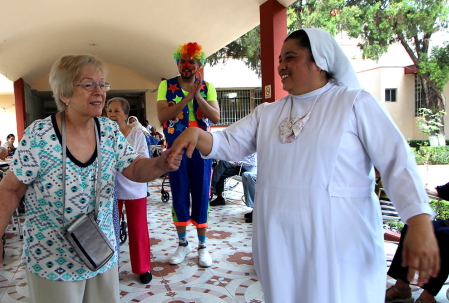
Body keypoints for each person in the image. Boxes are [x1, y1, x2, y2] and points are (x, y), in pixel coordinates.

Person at [168, 29, 438, 303]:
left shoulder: (354, 102)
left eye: (291, 57)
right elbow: (229, 142)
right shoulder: (269, 112)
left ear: (319, 60)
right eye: (280, 59)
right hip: (280, 241)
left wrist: (418, 221)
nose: (281, 65)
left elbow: (396, 161)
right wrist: (197, 134)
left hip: (337, 243)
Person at [0, 54, 181, 303]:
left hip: (99, 249)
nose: (99, 91)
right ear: (65, 93)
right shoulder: (39, 136)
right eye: (88, 84)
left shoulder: (108, 131)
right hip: (51, 258)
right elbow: (11, 190)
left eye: (102, 84)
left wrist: (161, 163)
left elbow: (135, 168)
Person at [156, 42, 220, 268]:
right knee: (179, 193)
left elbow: (215, 117)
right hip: (176, 148)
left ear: (198, 64)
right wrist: (186, 98)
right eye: (182, 61)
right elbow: (163, 116)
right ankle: (183, 244)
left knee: (203, 194)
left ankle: (203, 246)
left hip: (202, 150)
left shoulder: (208, 87)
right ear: (177, 63)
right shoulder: (166, 86)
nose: (186, 65)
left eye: (191, 61)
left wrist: (198, 96)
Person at [106, 97, 152, 284]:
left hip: (135, 187)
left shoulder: (137, 135)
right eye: (109, 111)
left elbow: (143, 158)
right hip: (111, 189)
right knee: (109, 229)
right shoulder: (104, 135)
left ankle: (143, 268)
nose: (112, 115)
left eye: (117, 111)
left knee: (138, 227)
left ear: (126, 115)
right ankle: (110, 268)